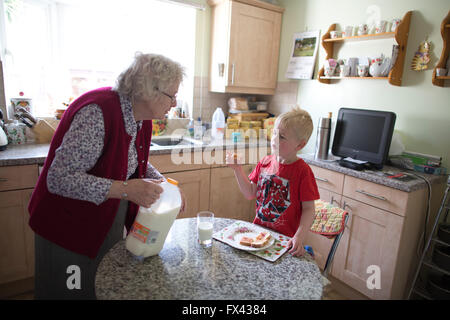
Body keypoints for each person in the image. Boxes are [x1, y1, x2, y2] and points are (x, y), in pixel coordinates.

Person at [28, 52, 186, 299]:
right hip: (66, 227)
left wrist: (165, 185)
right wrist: (126, 189)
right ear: (148, 91)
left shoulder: (140, 117)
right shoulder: (98, 113)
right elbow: (59, 179)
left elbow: (134, 163)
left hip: (101, 218)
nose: (174, 103)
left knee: (95, 288)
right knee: (70, 292)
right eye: (171, 95)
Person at [226, 107, 319, 257]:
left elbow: (309, 209)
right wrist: (237, 169)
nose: (274, 139)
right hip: (259, 233)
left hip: (285, 241)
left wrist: (298, 237)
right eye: (274, 132)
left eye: (282, 137)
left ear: (300, 145)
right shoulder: (265, 163)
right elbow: (250, 193)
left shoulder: (303, 172)